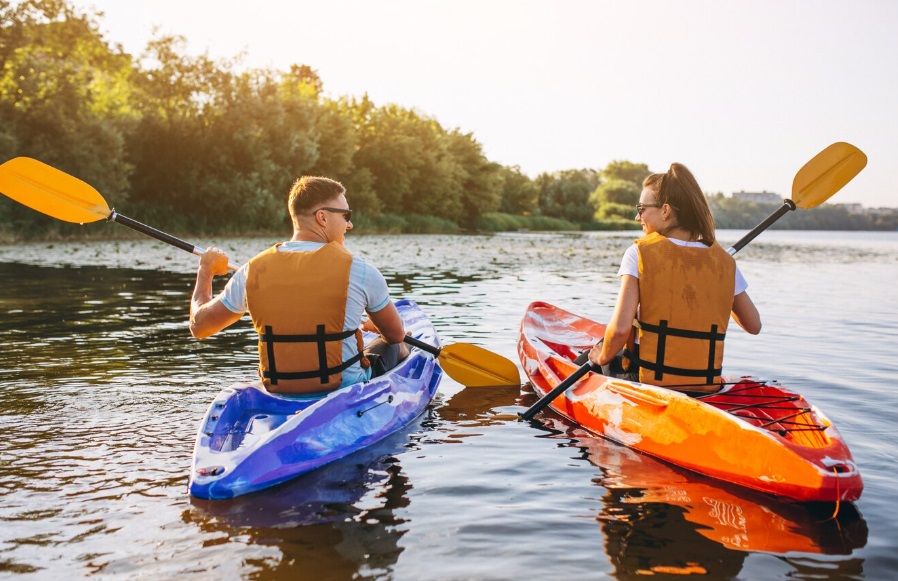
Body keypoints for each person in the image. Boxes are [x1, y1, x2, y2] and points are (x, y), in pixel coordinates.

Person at [188, 175, 410, 395]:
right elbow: (395, 334)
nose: (349, 224)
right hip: (344, 387)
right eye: (346, 215)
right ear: (322, 217)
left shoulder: (252, 269)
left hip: (280, 387)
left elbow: (199, 326)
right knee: (396, 345)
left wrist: (205, 271)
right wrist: (376, 326)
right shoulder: (360, 270)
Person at [586, 163, 761, 392]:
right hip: (704, 385)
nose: (638, 217)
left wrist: (601, 357)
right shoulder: (724, 263)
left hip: (647, 381)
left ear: (666, 211)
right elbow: (753, 325)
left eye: (642, 208)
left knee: (590, 357)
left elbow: (619, 331)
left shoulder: (639, 253)